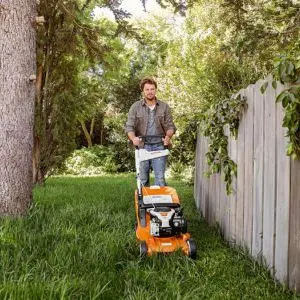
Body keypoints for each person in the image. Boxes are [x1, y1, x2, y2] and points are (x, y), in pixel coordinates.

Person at [125, 78, 176, 186]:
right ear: (143, 91)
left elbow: (170, 126)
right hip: (142, 146)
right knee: (142, 179)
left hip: (160, 146)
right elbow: (129, 127)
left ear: (156, 90)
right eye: (147, 89)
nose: (150, 91)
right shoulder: (135, 107)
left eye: (152, 89)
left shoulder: (164, 107)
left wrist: (168, 137)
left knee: (160, 178)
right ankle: (144, 202)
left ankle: (160, 202)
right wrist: (133, 138)